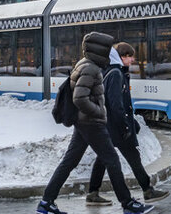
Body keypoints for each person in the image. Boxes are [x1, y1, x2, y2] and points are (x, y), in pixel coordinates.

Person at [37, 32, 153, 214]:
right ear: (99, 49)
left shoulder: (86, 64)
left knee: (69, 161)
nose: (109, 52)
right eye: (107, 49)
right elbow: (80, 98)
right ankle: (128, 204)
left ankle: (46, 202)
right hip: (91, 123)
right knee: (112, 161)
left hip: (83, 123)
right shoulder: (90, 68)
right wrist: (99, 112)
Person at [86, 42, 170, 206]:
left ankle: (93, 193)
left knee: (104, 159)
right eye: (130, 56)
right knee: (132, 158)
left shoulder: (110, 71)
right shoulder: (116, 74)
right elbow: (117, 104)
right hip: (117, 126)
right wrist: (126, 126)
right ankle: (147, 191)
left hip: (109, 125)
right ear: (122, 56)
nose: (132, 60)